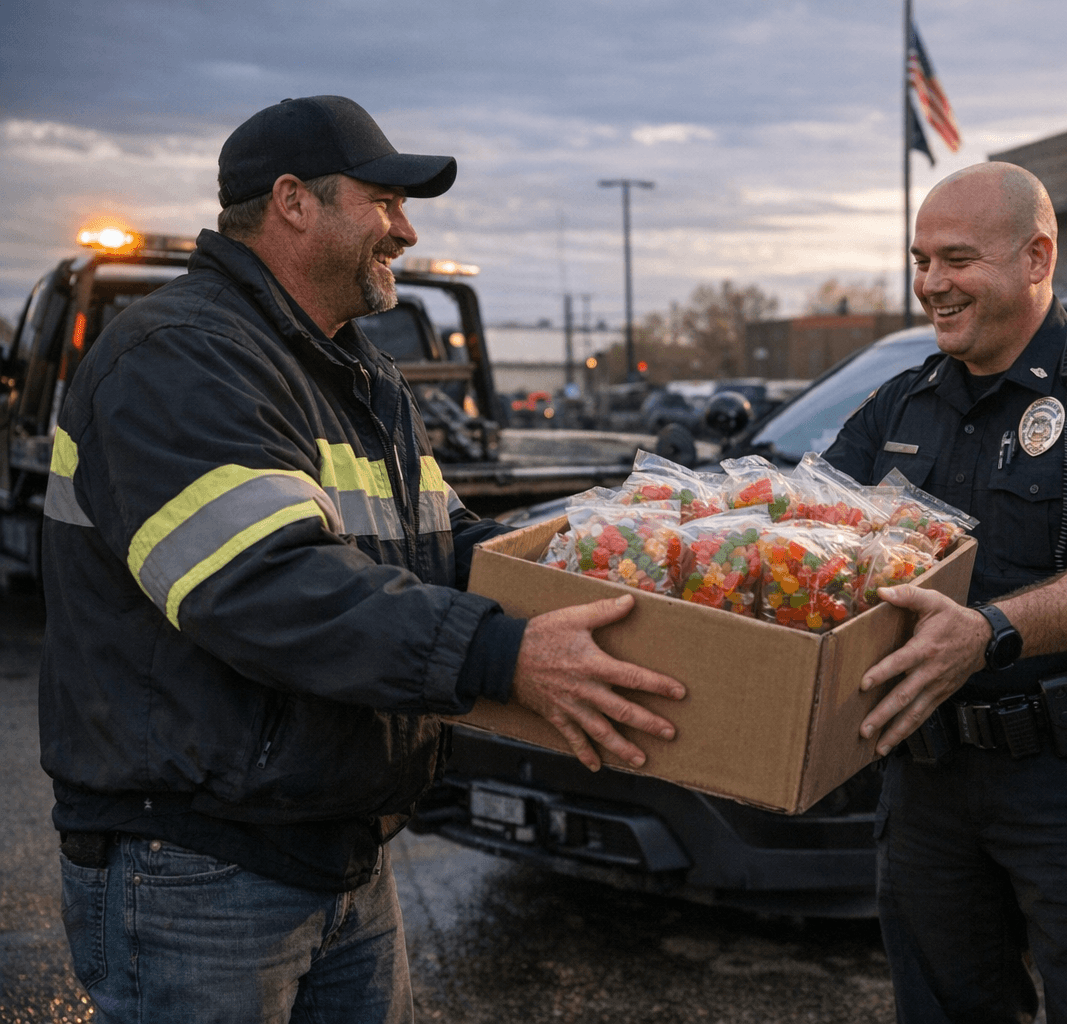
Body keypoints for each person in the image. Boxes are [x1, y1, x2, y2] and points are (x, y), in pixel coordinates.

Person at [38, 95, 685, 1023]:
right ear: (294, 201)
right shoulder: (178, 357)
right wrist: (502, 655)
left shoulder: (355, 372)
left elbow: (445, 549)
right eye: (384, 202)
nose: (407, 231)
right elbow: (266, 585)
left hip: (336, 845)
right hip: (197, 868)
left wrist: (603, 557)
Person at [822, 162, 1067, 1024]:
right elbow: (808, 529)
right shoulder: (900, 405)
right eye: (921, 260)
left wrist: (991, 631)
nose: (931, 283)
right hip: (928, 780)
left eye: (957, 259)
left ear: (1036, 257)